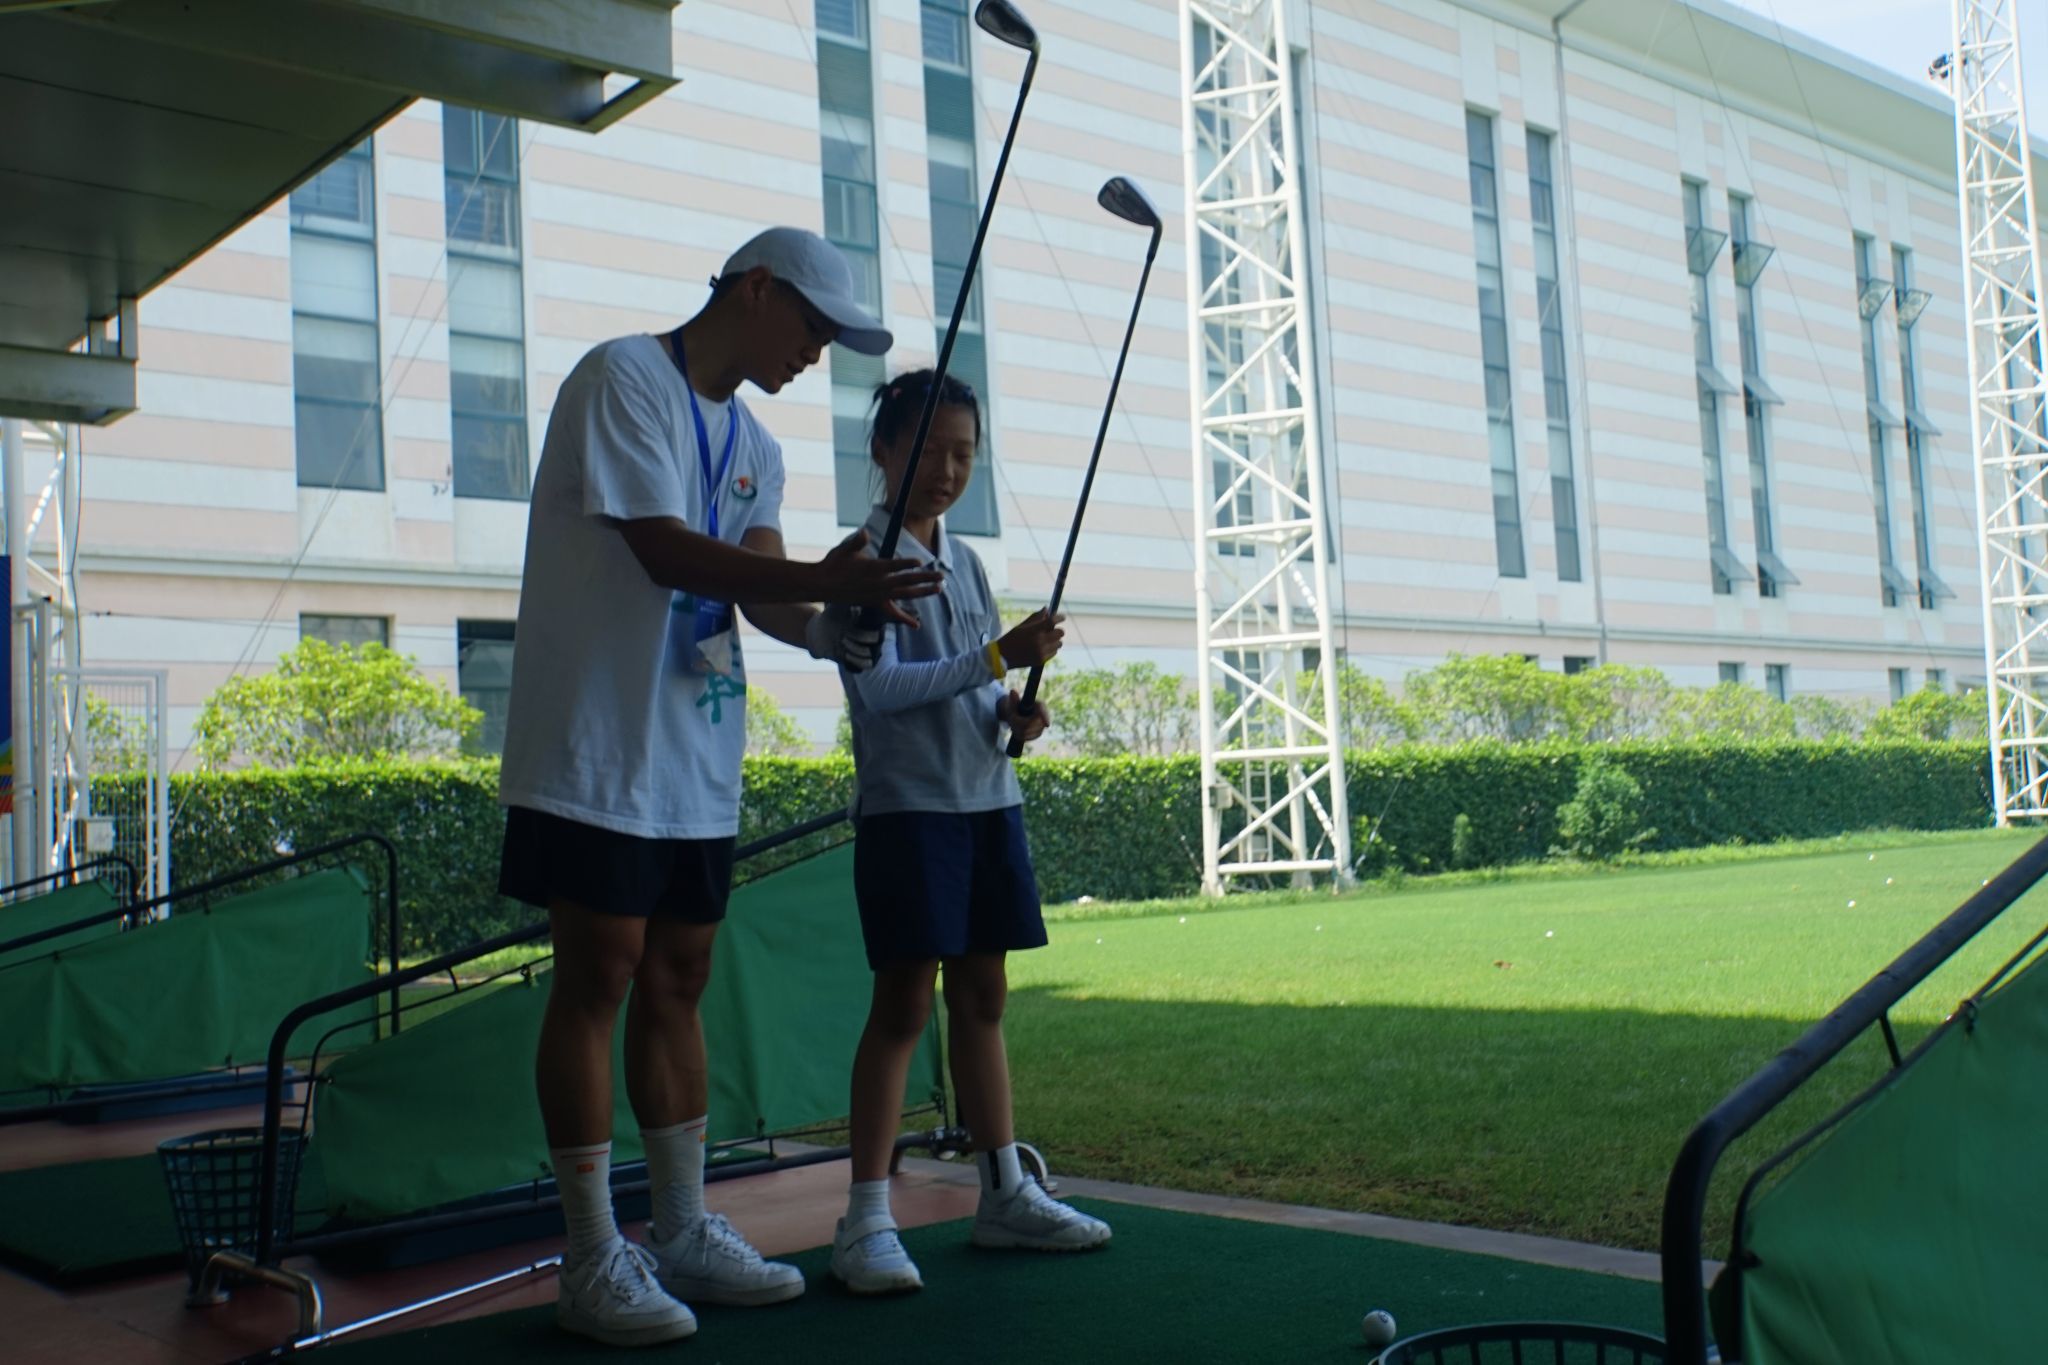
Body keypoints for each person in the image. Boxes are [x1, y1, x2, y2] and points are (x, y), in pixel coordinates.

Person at [497, 228, 943, 1347]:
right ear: (755, 290)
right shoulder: (622, 378)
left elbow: (766, 596)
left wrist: (832, 625)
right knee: (598, 971)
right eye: (811, 327)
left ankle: (685, 1226)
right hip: (593, 744)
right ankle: (591, 1252)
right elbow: (664, 550)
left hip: (693, 754)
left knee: (679, 976)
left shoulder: (756, 445)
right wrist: (818, 578)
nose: (815, 353)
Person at [827, 368, 1113, 1296]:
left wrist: (1013, 712)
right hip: (909, 810)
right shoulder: (856, 562)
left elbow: (975, 690)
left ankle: (1003, 1192)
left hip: (986, 800)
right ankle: (865, 1217)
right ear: (883, 449)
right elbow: (878, 689)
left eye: (964, 453)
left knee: (983, 996)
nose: (948, 470)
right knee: (904, 1004)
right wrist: (997, 656)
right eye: (930, 450)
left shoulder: (971, 562)